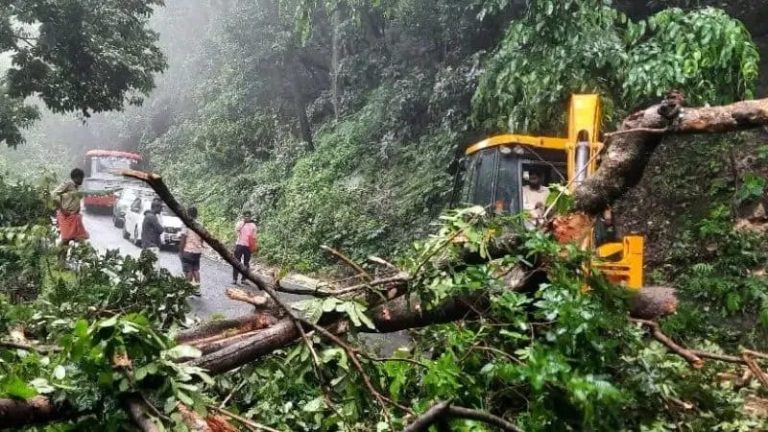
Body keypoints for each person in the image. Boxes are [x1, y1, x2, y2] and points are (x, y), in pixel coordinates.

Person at [52, 169, 89, 260]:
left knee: (73, 239)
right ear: (76, 177)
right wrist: (61, 208)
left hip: (74, 217)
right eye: (81, 178)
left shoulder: (77, 188)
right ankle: (59, 259)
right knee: (66, 239)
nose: (82, 180)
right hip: (66, 216)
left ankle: (62, 260)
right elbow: (54, 194)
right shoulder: (68, 184)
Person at [179, 206, 203, 295]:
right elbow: (202, 239)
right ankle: (197, 290)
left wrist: (180, 251)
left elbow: (183, 239)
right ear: (196, 215)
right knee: (195, 270)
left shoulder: (186, 224)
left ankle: (187, 290)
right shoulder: (200, 225)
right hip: (197, 252)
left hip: (188, 251)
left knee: (188, 270)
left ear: (187, 214)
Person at [233, 211, 257, 285]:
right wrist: (241, 225)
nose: (247, 217)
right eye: (245, 216)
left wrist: (253, 246)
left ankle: (244, 279)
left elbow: (254, 237)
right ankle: (235, 279)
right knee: (237, 261)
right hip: (239, 244)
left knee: (246, 263)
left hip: (248, 246)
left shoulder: (253, 225)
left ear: (250, 217)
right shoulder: (240, 223)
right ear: (243, 216)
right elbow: (236, 231)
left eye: (248, 216)